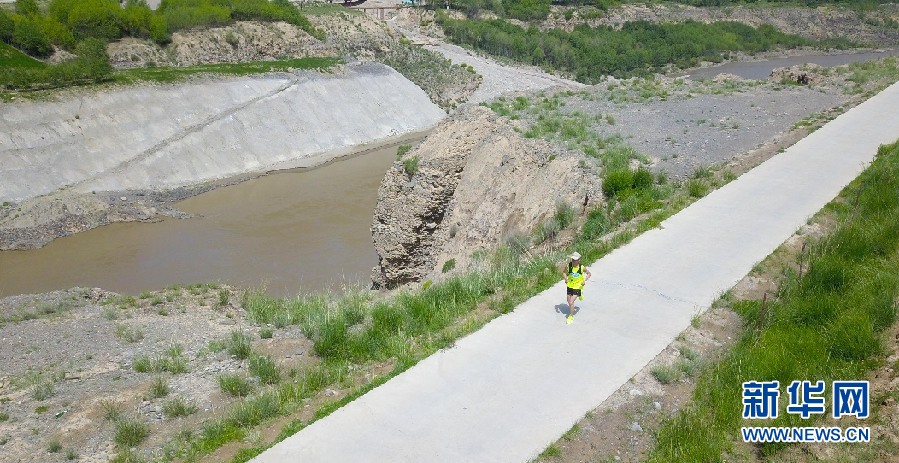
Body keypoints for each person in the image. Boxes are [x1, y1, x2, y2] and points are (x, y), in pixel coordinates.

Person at [561, 252, 591, 324]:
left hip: (578, 286)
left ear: (579, 260)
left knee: (571, 302)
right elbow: (564, 272)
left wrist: (584, 280)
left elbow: (589, 273)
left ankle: (571, 316)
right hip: (570, 286)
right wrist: (565, 279)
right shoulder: (569, 266)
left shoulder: (581, 267)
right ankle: (579, 296)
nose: (573, 261)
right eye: (572, 259)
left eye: (575, 260)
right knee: (569, 301)